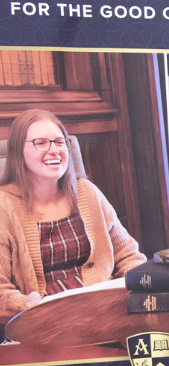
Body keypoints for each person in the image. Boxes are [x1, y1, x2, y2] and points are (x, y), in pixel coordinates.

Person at [0, 108, 145, 317]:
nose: (54, 150)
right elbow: (2, 289)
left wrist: (131, 288)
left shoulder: (87, 192)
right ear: (17, 152)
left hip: (106, 309)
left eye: (60, 142)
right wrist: (30, 308)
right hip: (42, 319)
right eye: (41, 143)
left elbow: (129, 255)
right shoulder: (4, 206)